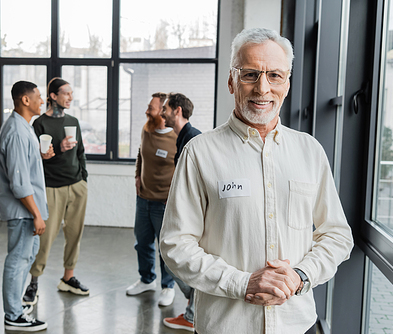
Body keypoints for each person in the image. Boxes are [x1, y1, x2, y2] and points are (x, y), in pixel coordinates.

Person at [160, 28, 354, 334]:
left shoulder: (309, 151)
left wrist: (300, 275)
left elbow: (337, 235)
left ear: (287, 84)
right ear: (231, 81)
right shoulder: (199, 153)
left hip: (296, 325)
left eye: (275, 75)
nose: (263, 88)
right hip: (225, 327)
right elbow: (175, 244)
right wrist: (243, 283)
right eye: (250, 74)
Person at [22, 77, 89, 306]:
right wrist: (59, 150)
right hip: (51, 188)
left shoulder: (74, 121)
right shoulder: (39, 124)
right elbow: (36, 161)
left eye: (71, 93)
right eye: (66, 93)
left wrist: (83, 179)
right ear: (53, 96)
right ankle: (34, 283)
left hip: (76, 186)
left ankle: (68, 278)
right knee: (45, 238)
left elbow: (81, 153)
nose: (70, 97)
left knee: (74, 235)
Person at [0, 81, 49, 331]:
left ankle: (15, 306)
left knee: (25, 257)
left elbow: (25, 166)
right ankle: (13, 315)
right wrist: (37, 215)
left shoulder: (24, 128)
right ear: (25, 100)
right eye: (38, 96)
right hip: (24, 212)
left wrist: (41, 155)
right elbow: (19, 183)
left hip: (29, 211)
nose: (42, 101)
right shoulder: (17, 131)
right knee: (18, 260)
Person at [126, 92, 177, 307]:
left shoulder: (177, 137)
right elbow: (140, 154)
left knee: (164, 247)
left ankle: (168, 287)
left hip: (164, 203)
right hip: (143, 199)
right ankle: (147, 280)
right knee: (142, 243)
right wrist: (138, 175)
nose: (147, 111)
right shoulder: (146, 130)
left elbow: (185, 171)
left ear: (163, 112)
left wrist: (173, 197)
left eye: (151, 108)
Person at [160, 93, 201, 332]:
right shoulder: (183, 138)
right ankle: (193, 307)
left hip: (192, 217)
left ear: (177, 110)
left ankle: (194, 310)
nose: (162, 113)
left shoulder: (192, 138)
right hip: (187, 212)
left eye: (165, 108)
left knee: (171, 259)